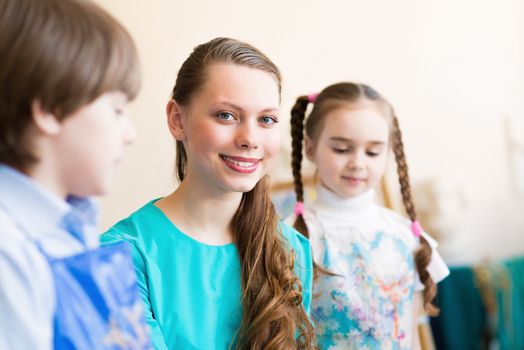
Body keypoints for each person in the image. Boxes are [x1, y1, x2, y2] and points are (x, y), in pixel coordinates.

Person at [101, 37, 315, 350]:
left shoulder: (291, 249)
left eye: (266, 119)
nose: (250, 139)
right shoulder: (118, 256)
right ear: (177, 119)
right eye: (226, 115)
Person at [0, 0, 149, 348]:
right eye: (117, 110)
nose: (130, 133)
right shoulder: (9, 253)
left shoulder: (73, 230)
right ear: (51, 109)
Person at [290, 82, 450, 349]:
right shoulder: (293, 238)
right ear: (309, 148)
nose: (358, 162)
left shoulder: (405, 237)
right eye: (341, 149)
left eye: (373, 152)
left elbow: (412, 334)